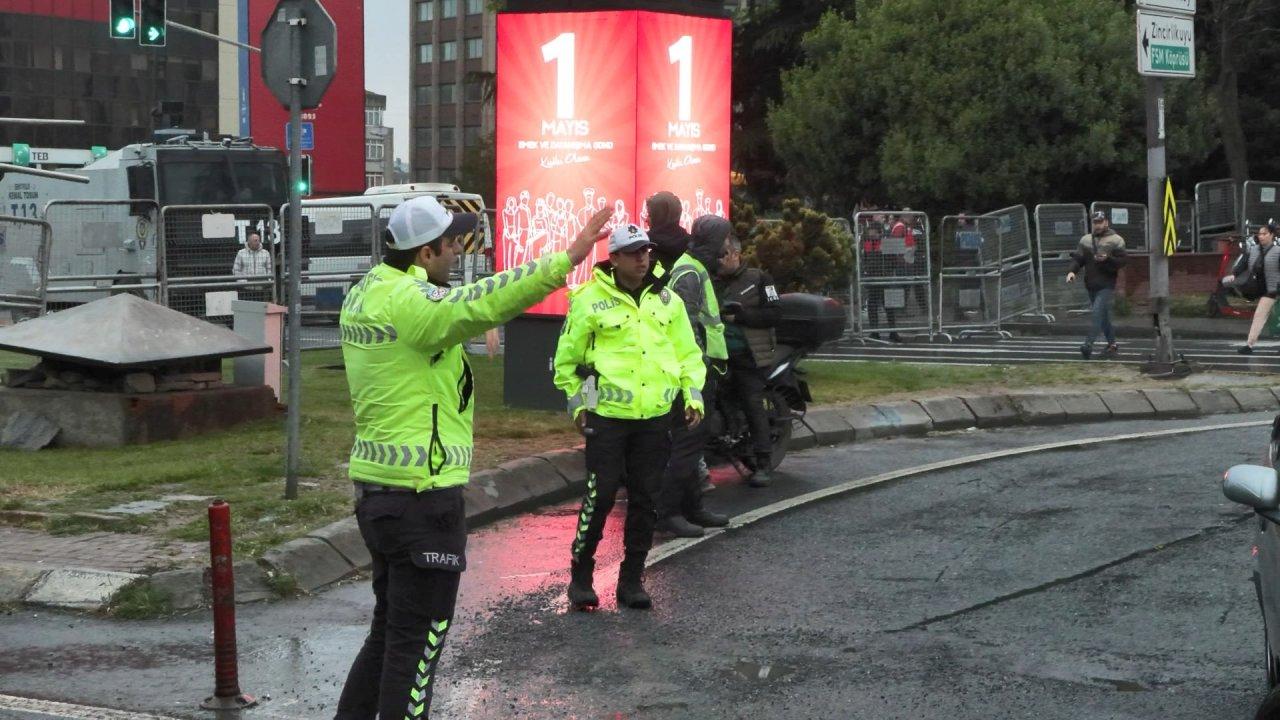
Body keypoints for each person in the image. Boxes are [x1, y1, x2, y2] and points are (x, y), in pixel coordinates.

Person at [333, 196, 612, 720]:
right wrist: (568, 258)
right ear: (424, 252)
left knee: (390, 633)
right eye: (451, 242)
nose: (458, 250)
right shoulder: (413, 302)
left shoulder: (369, 289)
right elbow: (484, 300)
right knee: (418, 643)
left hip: (379, 494)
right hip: (422, 499)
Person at [553, 222, 705, 611]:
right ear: (615, 258)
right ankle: (581, 576)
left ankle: (632, 580)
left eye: (646, 251)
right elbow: (571, 364)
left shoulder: (668, 301)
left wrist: (692, 397)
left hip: (654, 418)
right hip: (606, 418)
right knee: (600, 495)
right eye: (634, 253)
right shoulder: (588, 300)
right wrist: (582, 407)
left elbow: (688, 355)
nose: (642, 259)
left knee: (646, 499)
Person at [657, 214, 732, 538]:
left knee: (693, 443)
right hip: (693, 372)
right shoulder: (689, 272)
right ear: (714, 241)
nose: (728, 246)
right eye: (725, 239)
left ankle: (692, 508)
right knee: (687, 444)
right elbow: (685, 327)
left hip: (700, 368)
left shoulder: (696, 267)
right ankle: (668, 513)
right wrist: (699, 367)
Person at [716, 234, 782, 487]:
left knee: (752, 401)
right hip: (717, 355)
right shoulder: (711, 281)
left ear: (736, 254)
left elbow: (775, 314)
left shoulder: (760, 279)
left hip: (749, 355)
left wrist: (742, 316)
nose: (719, 260)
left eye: (723, 254)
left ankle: (763, 462)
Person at [1066, 211, 1127, 359]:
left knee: (1097, 313)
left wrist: (1107, 259)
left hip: (1107, 284)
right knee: (1103, 316)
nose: (1097, 225)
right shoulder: (1085, 240)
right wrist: (1072, 271)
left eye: (1100, 222)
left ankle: (1088, 345)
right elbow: (1078, 259)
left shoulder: (1116, 240)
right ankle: (1112, 344)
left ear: (1106, 222)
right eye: (1095, 222)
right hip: (1091, 284)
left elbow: (1122, 262)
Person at [1222, 219, 1280, 354]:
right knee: (1259, 316)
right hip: (1267, 291)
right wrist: (1234, 274)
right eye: (1260, 234)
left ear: (1272, 235)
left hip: (1277, 287)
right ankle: (1249, 345)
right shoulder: (1254, 250)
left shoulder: (1277, 251)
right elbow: (1243, 263)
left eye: (1264, 234)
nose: (1261, 236)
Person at [646, 190, 691, 275]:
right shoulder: (693, 247)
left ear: (659, 218)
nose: (646, 219)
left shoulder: (643, 258)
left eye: (649, 215)